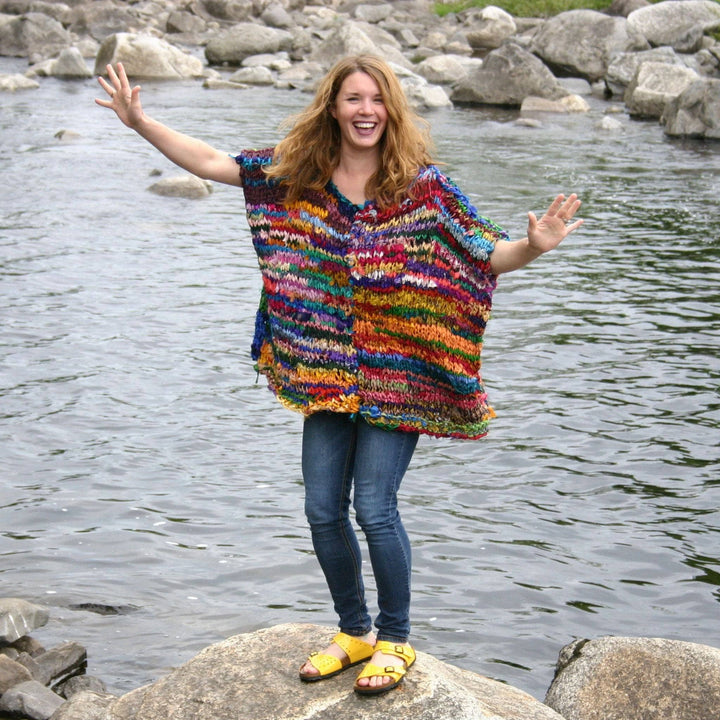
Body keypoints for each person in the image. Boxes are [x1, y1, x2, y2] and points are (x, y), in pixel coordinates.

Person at [96, 55, 583, 696]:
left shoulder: (424, 188)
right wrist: (139, 122)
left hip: (399, 377)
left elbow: (486, 252)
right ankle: (353, 632)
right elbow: (214, 163)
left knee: (374, 509)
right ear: (333, 106)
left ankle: (397, 639)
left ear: (391, 111)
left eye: (376, 100)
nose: (365, 110)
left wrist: (535, 247)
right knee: (323, 509)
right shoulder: (297, 177)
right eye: (353, 98)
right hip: (326, 375)